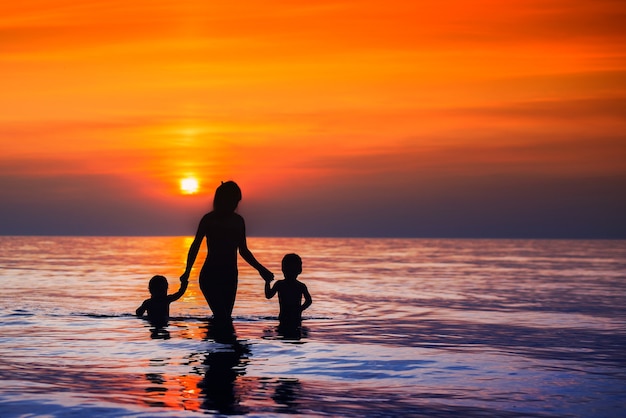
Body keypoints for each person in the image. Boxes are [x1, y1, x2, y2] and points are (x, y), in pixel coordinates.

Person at [180, 181, 274, 322]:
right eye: (234, 201)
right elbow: (195, 246)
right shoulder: (209, 220)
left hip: (230, 276)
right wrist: (187, 271)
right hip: (210, 275)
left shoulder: (238, 221)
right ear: (223, 199)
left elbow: (243, 250)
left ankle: (212, 340)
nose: (236, 205)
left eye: (237, 201)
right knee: (222, 317)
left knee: (225, 319)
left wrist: (261, 269)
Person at [265, 253, 312, 330]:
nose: (289, 272)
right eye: (287, 270)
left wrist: (300, 309)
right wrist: (267, 282)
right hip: (288, 318)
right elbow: (268, 295)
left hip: (292, 318)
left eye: (291, 270)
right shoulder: (280, 284)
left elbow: (309, 301)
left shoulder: (300, 286)